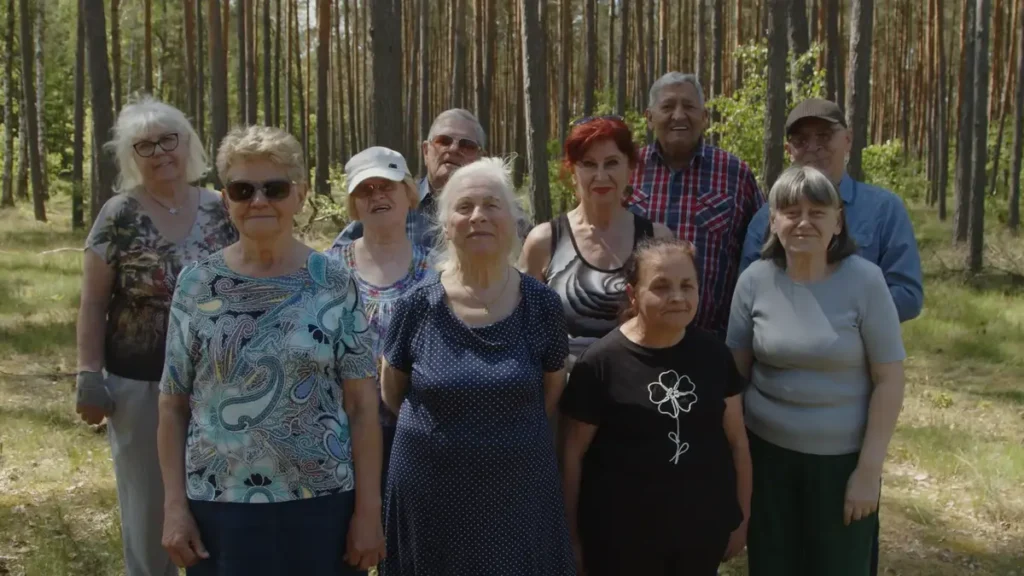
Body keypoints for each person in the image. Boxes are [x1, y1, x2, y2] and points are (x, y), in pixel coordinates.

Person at [157, 126, 385, 575]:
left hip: (323, 506)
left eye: (274, 188)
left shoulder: (335, 281)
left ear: (299, 196)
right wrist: (174, 507)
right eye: (243, 189)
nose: (258, 201)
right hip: (220, 506)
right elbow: (172, 405)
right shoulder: (196, 284)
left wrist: (369, 511)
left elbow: (362, 407)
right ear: (226, 200)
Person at [379, 158, 574, 575]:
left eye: (491, 205)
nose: (478, 216)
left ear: (513, 218)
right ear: (445, 223)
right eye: (464, 207)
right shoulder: (416, 305)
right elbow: (393, 392)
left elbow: (550, 392)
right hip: (430, 494)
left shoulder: (542, 306)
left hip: (519, 495)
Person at [74, 96, 237, 576]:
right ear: (131, 156)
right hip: (138, 382)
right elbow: (93, 302)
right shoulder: (118, 214)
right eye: (145, 145)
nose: (161, 152)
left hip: (218, 384)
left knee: (216, 507)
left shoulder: (222, 207)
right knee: (149, 513)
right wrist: (88, 373)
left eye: (170, 139)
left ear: (189, 144)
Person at [726, 166, 907, 576]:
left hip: (841, 467)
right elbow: (734, 375)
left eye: (817, 211)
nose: (803, 222)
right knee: (773, 564)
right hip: (766, 461)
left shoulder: (866, 282)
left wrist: (868, 471)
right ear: (772, 220)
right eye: (790, 211)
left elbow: (889, 380)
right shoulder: (754, 280)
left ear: (838, 220)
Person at [560, 237, 751, 576]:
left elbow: (737, 442)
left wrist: (741, 518)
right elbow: (573, 456)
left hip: (699, 535)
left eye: (687, 285)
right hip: (620, 541)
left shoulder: (714, 355)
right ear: (633, 295)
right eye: (661, 286)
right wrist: (573, 537)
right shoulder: (600, 364)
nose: (677, 297)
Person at [740, 98, 923, 323]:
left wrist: (840, 318)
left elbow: (908, 295)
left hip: (861, 355)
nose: (814, 147)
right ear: (789, 150)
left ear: (847, 140)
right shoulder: (766, 218)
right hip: (778, 353)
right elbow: (748, 295)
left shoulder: (884, 210)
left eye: (824, 136)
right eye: (801, 140)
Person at [326, 146, 435, 491]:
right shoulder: (326, 270)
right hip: (341, 438)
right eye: (365, 190)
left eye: (387, 186)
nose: (377, 196)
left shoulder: (438, 271)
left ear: (408, 193)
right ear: (354, 204)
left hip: (417, 435)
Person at [520, 115, 671, 365]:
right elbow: (523, 330)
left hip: (639, 390)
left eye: (611, 163)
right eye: (588, 164)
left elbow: (671, 324)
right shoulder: (544, 241)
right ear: (572, 172)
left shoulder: (657, 240)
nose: (600, 176)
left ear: (630, 169)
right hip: (563, 393)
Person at [628, 72, 764, 340]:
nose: (679, 115)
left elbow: (761, 253)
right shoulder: (628, 170)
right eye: (667, 107)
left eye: (689, 106)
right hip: (637, 340)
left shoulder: (735, 173)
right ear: (649, 117)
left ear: (704, 117)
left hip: (715, 340)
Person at [331, 109, 486, 249]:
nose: (453, 149)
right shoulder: (396, 200)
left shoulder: (492, 213)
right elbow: (337, 256)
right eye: (443, 141)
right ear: (426, 152)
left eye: (466, 145)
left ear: (480, 158)